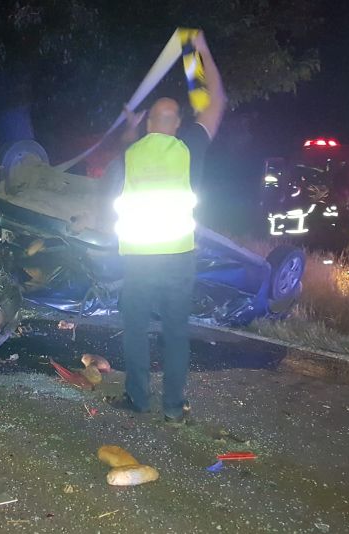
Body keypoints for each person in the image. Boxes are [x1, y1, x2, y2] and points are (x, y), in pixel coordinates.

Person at [109, 31, 227, 423]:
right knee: (175, 332)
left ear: (148, 124)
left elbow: (126, 141)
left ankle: (137, 399)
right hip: (177, 257)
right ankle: (174, 408)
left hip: (138, 259)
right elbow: (215, 102)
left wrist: (132, 125)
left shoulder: (132, 152)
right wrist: (199, 52)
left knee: (136, 330)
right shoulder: (189, 145)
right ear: (177, 123)